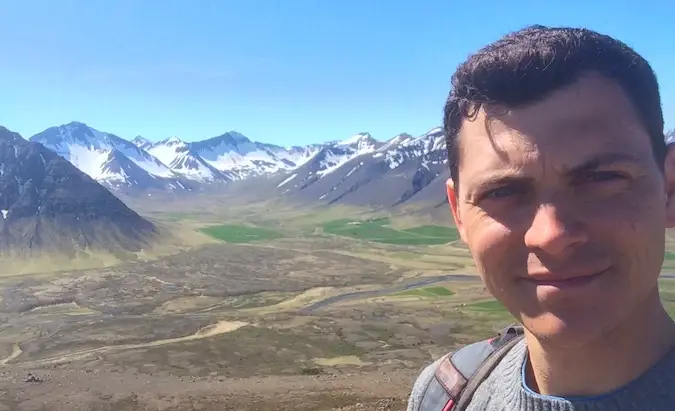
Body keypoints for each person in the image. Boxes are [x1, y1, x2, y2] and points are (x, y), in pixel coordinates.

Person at [406, 25, 675, 410]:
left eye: (601, 178)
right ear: (459, 214)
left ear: (669, 189)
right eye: (502, 192)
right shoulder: (442, 395)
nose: (551, 234)